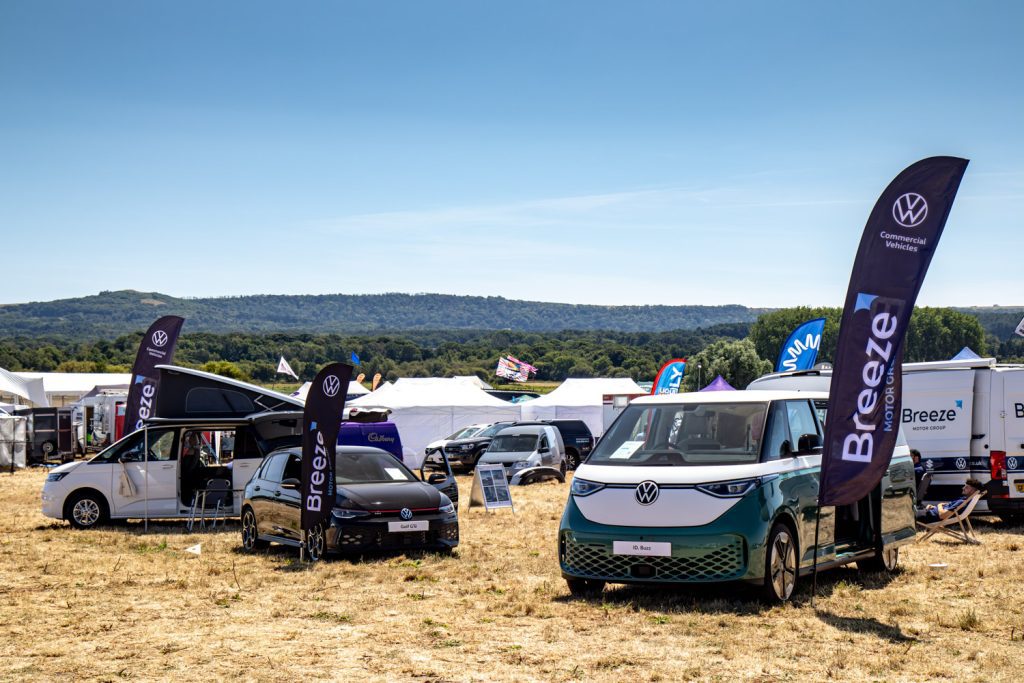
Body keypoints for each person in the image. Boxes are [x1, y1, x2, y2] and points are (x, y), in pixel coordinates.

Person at [919, 478, 983, 522]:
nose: (963, 488)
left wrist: (939, 505)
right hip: (930, 512)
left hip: (930, 515)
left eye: (966, 487)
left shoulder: (962, 502)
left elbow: (942, 515)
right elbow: (946, 509)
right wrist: (933, 507)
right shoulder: (964, 500)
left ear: (973, 491)